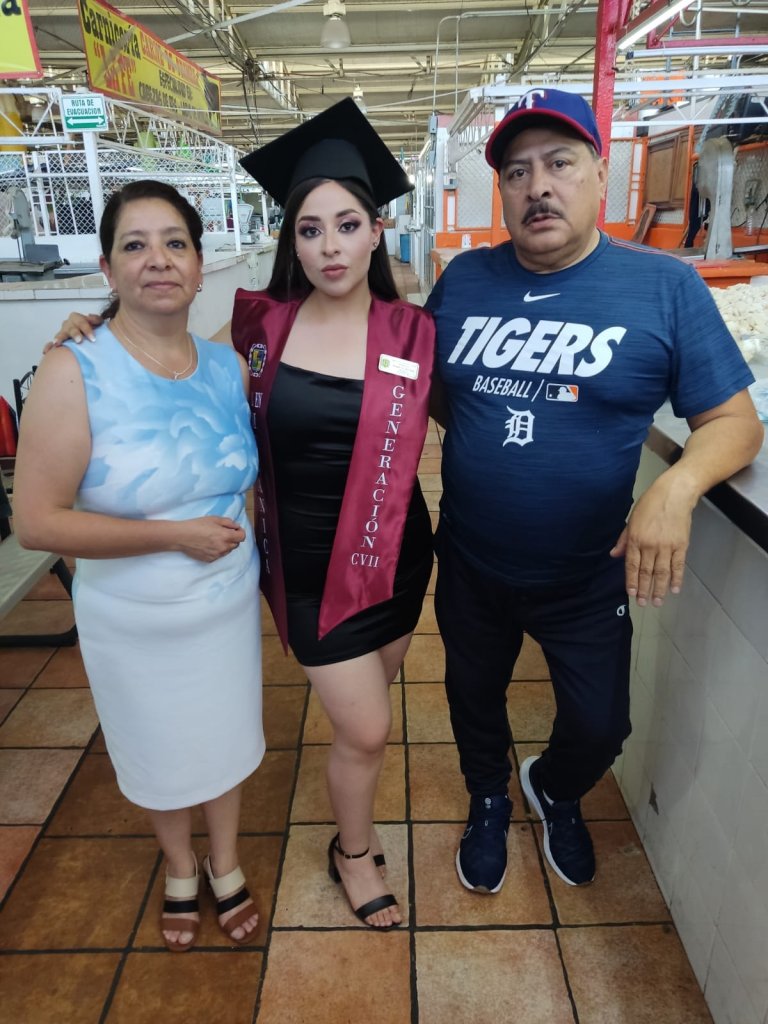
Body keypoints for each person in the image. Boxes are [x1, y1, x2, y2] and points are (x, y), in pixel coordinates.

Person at [50, 100, 435, 930]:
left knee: (365, 720)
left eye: (346, 225)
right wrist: (93, 328)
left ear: (377, 231)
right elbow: (173, 361)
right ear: (290, 241)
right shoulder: (261, 326)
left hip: (395, 556)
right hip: (306, 569)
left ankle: (330, 838)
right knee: (367, 730)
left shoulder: (415, 330)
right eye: (309, 229)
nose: (328, 246)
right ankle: (354, 854)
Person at [425, 88, 764, 894]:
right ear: (500, 190)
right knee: (474, 696)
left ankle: (557, 787)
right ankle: (487, 797)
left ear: (599, 175)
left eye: (559, 163)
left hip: (584, 576)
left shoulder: (663, 287)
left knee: (601, 723)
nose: (537, 186)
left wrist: (676, 486)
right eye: (516, 172)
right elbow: (436, 392)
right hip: (472, 558)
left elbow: (735, 423)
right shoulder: (464, 281)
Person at [15, 180, 264, 951]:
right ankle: (179, 862)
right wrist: (173, 537)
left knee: (224, 741)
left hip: (224, 609)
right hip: (134, 618)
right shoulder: (74, 369)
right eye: (135, 245)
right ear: (108, 267)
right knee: (157, 750)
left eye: (175, 243)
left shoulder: (227, 368)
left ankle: (224, 860)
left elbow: (238, 483)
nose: (157, 260)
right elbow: (35, 522)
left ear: (198, 264)